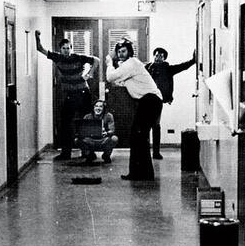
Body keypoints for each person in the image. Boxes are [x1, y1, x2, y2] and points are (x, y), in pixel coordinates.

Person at [35, 30, 100, 160]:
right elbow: (40, 48)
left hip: (83, 94)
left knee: (85, 122)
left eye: (68, 48)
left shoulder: (78, 57)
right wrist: (37, 37)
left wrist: (90, 73)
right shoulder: (57, 57)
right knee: (65, 123)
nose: (66, 50)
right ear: (60, 49)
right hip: (70, 95)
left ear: (71, 48)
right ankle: (66, 153)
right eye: (63, 48)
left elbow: (96, 60)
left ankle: (88, 152)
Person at [105, 38, 163, 181]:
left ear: (129, 51)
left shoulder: (131, 63)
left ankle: (143, 174)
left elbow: (110, 77)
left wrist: (108, 62)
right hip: (148, 101)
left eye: (123, 51)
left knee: (138, 136)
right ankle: (140, 173)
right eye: (118, 52)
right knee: (137, 136)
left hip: (150, 100)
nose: (120, 54)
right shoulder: (130, 64)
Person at [146, 47, 196, 159]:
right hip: (146, 99)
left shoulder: (168, 69)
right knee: (147, 126)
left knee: (156, 125)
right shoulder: (147, 68)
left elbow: (183, 66)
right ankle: (148, 152)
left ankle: (155, 152)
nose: (158, 57)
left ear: (164, 58)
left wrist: (193, 60)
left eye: (161, 56)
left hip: (158, 100)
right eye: (156, 55)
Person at [75, 100, 118, 164]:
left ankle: (106, 155)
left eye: (101, 106)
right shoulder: (87, 116)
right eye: (96, 106)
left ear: (104, 108)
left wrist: (106, 132)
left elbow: (112, 130)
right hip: (90, 140)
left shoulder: (109, 116)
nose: (98, 108)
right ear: (93, 108)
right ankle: (89, 154)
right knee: (77, 140)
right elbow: (82, 131)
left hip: (103, 139)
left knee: (114, 138)